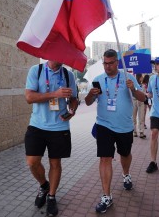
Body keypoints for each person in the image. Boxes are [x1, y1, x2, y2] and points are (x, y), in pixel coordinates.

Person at [85, 49, 145, 214]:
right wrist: (90, 94)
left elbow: (143, 98)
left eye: (111, 63)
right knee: (105, 158)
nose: (108, 66)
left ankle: (126, 174)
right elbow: (88, 102)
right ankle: (106, 196)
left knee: (125, 154)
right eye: (105, 63)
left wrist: (133, 89)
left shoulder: (128, 77)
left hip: (124, 126)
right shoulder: (98, 80)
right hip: (104, 125)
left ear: (117, 63)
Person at [24, 60, 78, 217]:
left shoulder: (68, 75)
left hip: (59, 127)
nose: (61, 58)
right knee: (32, 162)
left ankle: (52, 196)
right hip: (37, 125)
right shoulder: (37, 70)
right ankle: (44, 185)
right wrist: (55, 94)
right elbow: (29, 97)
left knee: (55, 163)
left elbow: (74, 98)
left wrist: (72, 110)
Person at [132, 73, 146, 138]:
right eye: (142, 77)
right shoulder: (133, 84)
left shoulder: (143, 85)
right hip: (134, 101)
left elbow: (144, 93)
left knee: (141, 117)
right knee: (133, 117)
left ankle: (141, 132)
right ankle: (134, 131)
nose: (142, 78)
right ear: (139, 77)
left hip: (141, 101)